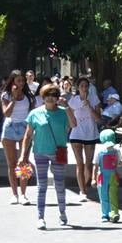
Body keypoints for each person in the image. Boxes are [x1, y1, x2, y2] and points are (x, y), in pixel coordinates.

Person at [18, 84, 75, 230]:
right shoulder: (35, 113)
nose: (50, 98)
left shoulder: (63, 112)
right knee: (41, 186)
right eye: (47, 95)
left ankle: (62, 212)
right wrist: (23, 155)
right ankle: (40, 217)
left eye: (54, 95)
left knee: (59, 185)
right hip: (40, 152)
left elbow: (74, 124)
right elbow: (28, 135)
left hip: (58, 153)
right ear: (43, 97)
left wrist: (67, 107)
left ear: (57, 97)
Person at [0, 71, 34, 205]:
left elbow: (31, 113)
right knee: (12, 163)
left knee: (24, 161)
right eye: (18, 81)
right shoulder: (6, 95)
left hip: (24, 127)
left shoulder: (28, 96)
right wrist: (13, 99)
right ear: (13, 82)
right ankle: (14, 194)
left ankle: (23, 194)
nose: (21, 83)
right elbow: (7, 113)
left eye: (22, 81)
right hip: (10, 127)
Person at [67, 77, 103, 201]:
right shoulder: (73, 100)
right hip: (76, 134)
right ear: (78, 88)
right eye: (81, 86)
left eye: (86, 86)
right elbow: (69, 115)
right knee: (79, 163)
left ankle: (85, 185)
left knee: (88, 163)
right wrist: (69, 127)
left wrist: (89, 107)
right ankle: (82, 191)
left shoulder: (94, 99)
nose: (84, 88)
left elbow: (98, 118)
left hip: (90, 133)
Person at [95, 129, 122, 223]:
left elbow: (119, 163)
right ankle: (105, 214)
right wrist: (93, 179)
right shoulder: (99, 152)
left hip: (113, 176)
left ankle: (114, 213)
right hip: (102, 177)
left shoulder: (117, 151)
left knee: (113, 194)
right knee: (103, 195)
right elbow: (96, 166)